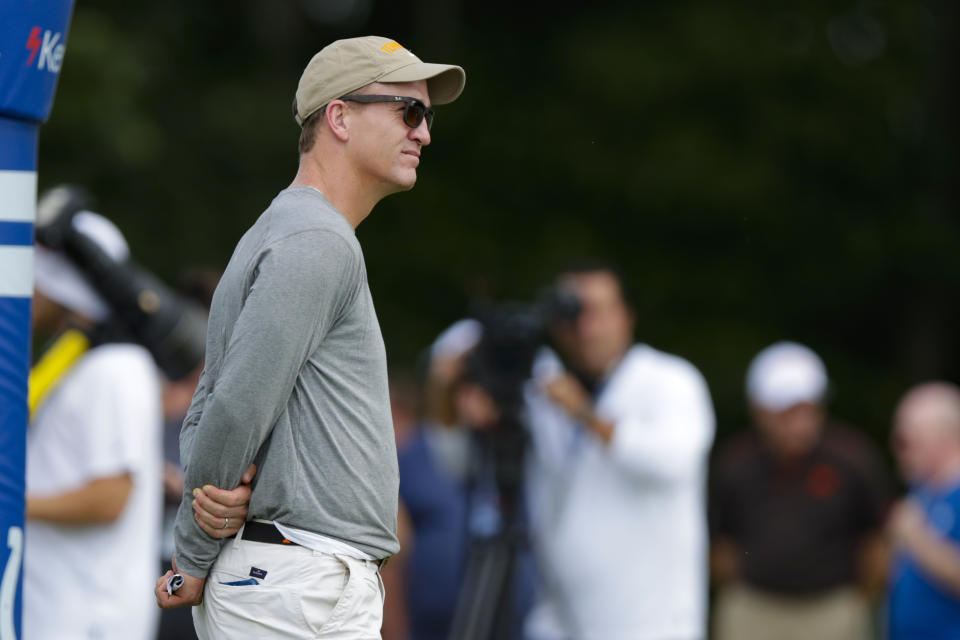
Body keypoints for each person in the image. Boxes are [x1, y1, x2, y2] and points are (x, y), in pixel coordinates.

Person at [154, 36, 465, 640]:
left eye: (426, 116)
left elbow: (209, 406)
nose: (424, 133)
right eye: (410, 110)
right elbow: (234, 405)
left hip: (291, 579)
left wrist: (203, 505)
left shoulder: (293, 231)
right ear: (340, 117)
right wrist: (192, 551)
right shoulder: (314, 241)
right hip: (296, 580)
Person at [523, 260, 715, 640]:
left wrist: (586, 415)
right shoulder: (545, 391)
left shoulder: (669, 379)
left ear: (626, 315)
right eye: (572, 312)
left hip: (650, 626)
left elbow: (671, 460)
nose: (584, 328)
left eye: (595, 311)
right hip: (559, 623)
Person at [25, 212, 163, 640]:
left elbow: (110, 498)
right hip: (58, 612)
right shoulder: (83, 362)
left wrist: (12, 505)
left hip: (86, 619)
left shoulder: (115, 368)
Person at [710, 341, 890, 640]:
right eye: (788, 412)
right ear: (760, 411)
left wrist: (856, 603)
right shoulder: (735, 463)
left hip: (833, 611)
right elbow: (721, 543)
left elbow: (874, 541)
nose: (800, 424)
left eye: (809, 409)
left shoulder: (853, 458)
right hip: (753, 611)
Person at [887, 382, 960, 638]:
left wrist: (916, 536)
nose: (899, 449)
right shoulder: (921, 490)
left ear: (944, 436)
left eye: (907, 439)